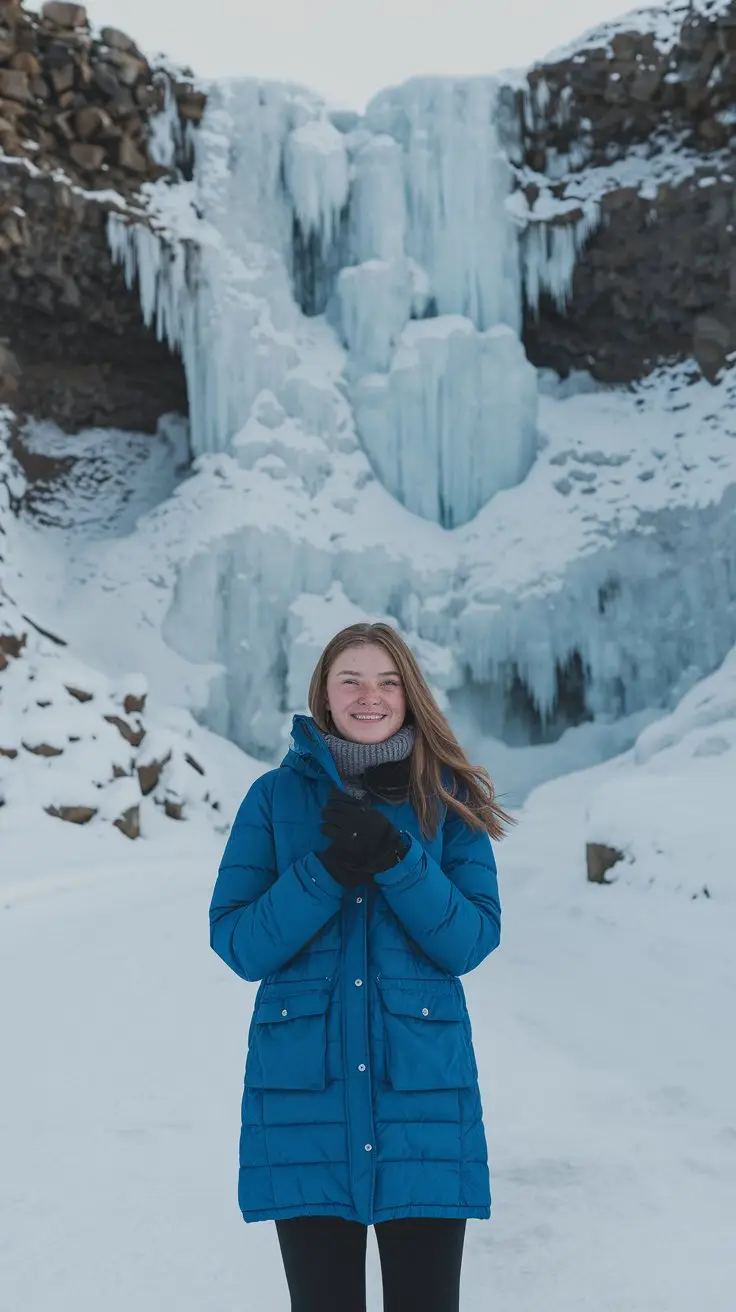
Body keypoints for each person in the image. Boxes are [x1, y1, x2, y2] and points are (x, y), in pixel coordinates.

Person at [209, 622, 506, 1312]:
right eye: (351, 680)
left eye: (387, 681)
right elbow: (239, 942)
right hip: (302, 1104)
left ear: (410, 694)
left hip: (424, 1104)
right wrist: (326, 872)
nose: (369, 696)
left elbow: (470, 940)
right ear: (324, 695)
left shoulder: (449, 798)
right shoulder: (273, 800)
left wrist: (399, 860)